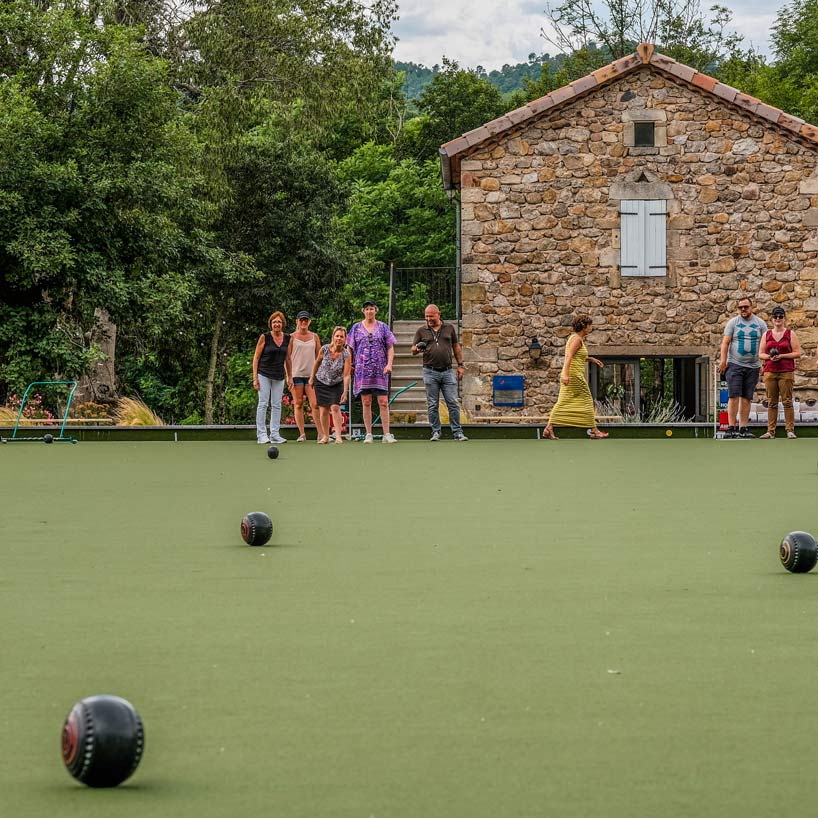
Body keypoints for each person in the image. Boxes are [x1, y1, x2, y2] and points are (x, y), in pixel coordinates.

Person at [542, 314, 608, 440]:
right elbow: (569, 356)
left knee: (563, 401)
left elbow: (577, 356)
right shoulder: (577, 339)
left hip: (572, 374)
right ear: (584, 326)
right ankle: (594, 431)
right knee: (587, 400)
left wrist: (590, 359)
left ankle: (549, 428)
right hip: (574, 375)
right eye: (590, 325)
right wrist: (566, 374)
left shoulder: (575, 338)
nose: (591, 327)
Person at [411, 304, 467, 441]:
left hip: (447, 371)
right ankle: (436, 431)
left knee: (453, 402)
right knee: (432, 403)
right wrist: (417, 348)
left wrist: (460, 365)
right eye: (426, 316)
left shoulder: (449, 328)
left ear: (438, 314)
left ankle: (457, 432)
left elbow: (456, 347)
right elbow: (412, 350)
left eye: (431, 316)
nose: (428, 319)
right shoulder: (421, 331)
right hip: (430, 371)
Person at [347, 300, 397, 443]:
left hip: (380, 370)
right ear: (363, 311)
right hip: (362, 370)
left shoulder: (383, 327)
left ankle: (387, 434)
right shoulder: (356, 328)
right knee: (366, 401)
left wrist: (389, 364)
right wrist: (350, 364)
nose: (369, 311)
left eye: (371, 309)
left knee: (383, 401)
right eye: (367, 309)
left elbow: (390, 347)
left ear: (376, 310)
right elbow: (349, 347)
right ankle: (368, 433)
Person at [718, 296, 767, 439]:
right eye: (741, 307)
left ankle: (743, 428)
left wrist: (764, 364)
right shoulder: (733, 323)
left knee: (747, 397)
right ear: (738, 309)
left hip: (753, 366)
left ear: (752, 307)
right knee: (733, 396)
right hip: (735, 364)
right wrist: (723, 361)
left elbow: (765, 344)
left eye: (746, 307)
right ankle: (731, 427)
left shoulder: (760, 323)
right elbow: (725, 343)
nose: (743, 310)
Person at [758, 305, 801, 439]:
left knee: (787, 401)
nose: (778, 319)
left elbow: (797, 353)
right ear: (771, 319)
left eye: (780, 316)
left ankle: (790, 430)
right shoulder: (767, 334)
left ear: (784, 318)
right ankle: (771, 431)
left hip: (786, 371)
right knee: (772, 401)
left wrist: (782, 356)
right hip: (770, 371)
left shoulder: (790, 334)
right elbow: (761, 354)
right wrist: (770, 357)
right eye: (775, 316)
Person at [252, 311, 292, 444]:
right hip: (263, 373)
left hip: (279, 375)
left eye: (279, 322)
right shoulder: (265, 337)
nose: (277, 324)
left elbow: (288, 359)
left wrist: (290, 376)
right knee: (263, 403)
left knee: (277, 405)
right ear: (271, 324)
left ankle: (274, 434)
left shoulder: (287, 338)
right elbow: (256, 357)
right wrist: (255, 378)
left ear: (283, 324)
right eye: (274, 322)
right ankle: (261, 435)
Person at [309, 327, 352, 445]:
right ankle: (325, 437)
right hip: (321, 382)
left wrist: (345, 391)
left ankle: (338, 436)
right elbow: (317, 362)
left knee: (335, 408)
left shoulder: (346, 354)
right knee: (323, 410)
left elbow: (347, 375)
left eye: (341, 336)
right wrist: (312, 378)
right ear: (333, 337)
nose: (339, 338)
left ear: (345, 339)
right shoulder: (324, 349)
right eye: (337, 336)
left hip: (336, 384)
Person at [289, 310, 321, 442]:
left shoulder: (314, 337)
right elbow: (287, 358)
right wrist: (288, 375)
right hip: (295, 374)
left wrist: (319, 374)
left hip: (311, 376)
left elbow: (320, 356)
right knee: (298, 404)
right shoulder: (291, 337)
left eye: (306, 320)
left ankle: (321, 433)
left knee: (315, 404)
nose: (303, 322)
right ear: (297, 321)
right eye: (301, 320)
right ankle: (302, 434)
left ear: (309, 322)